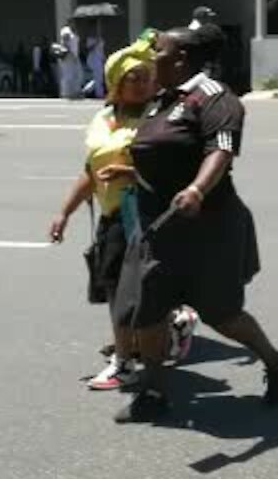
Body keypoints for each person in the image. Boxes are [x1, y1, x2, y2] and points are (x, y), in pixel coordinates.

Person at [109, 25, 278, 423]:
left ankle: (277, 361)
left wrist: (197, 188)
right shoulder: (163, 99)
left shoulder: (214, 97)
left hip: (207, 227)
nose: (150, 58)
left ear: (179, 59)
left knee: (220, 312)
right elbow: (162, 154)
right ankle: (154, 391)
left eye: (157, 51)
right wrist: (129, 174)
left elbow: (222, 149)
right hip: (159, 226)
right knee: (147, 310)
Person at [49, 32, 199, 391]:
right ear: (115, 82)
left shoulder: (159, 118)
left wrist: (129, 172)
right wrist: (64, 213)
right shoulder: (103, 118)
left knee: (125, 293)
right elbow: (90, 171)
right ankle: (166, 327)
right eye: (134, 77)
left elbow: (178, 170)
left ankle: (124, 362)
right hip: (114, 217)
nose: (143, 83)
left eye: (147, 76)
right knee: (120, 289)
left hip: (148, 217)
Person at [57, 20, 83, 99]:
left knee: (78, 74)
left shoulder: (73, 32)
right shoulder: (66, 30)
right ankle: (65, 93)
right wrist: (69, 52)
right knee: (68, 75)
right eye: (72, 22)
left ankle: (75, 92)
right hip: (68, 55)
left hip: (74, 55)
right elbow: (65, 41)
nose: (74, 24)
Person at [85, 30, 107, 100]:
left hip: (99, 59)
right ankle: (99, 94)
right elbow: (88, 48)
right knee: (98, 78)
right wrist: (95, 43)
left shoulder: (101, 39)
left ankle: (86, 90)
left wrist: (104, 59)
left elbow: (101, 50)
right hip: (93, 60)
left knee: (98, 78)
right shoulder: (90, 39)